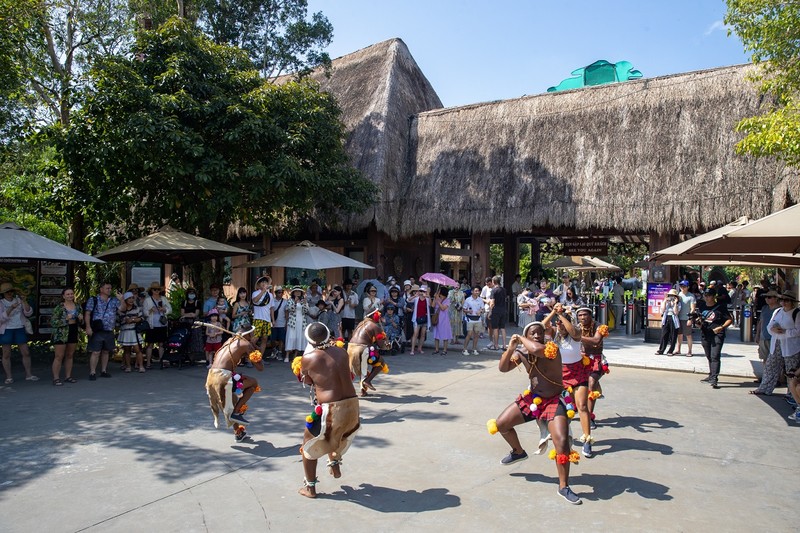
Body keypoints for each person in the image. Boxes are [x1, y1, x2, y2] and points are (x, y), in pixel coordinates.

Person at [487, 320, 583, 504]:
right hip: (533, 399)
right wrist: (511, 348)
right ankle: (518, 451)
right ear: (528, 336)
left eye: (540, 332)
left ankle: (563, 486)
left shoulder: (550, 348)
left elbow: (537, 350)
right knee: (501, 424)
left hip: (554, 400)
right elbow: (503, 368)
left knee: (561, 442)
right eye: (533, 333)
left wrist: (521, 338)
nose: (538, 335)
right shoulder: (523, 351)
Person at [293, 322, 361, 498]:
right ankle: (334, 464)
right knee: (334, 434)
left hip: (332, 410)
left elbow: (307, 382)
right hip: (353, 405)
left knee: (307, 446)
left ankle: (310, 488)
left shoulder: (309, 358)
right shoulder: (341, 351)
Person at [205, 328, 264, 443]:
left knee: (231, 401)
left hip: (211, 377)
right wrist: (253, 348)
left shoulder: (229, 340)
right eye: (252, 334)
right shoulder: (246, 344)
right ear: (248, 334)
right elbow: (260, 368)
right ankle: (237, 411)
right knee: (253, 383)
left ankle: (238, 433)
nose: (253, 336)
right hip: (223, 377)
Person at [551, 303, 595, 458]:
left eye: (562, 324)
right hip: (560, 376)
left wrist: (562, 315)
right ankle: (560, 437)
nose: (560, 327)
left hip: (578, 373)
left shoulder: (576, 333)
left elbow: (572, 331)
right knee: (561, 410)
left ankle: (587, 440)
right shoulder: (554, 335)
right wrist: (553, 313)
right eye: (558, 325)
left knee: (582, 405)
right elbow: (540, 328)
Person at [751, 291, 800, 396]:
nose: (784, 303)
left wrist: (785, 332)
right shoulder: (778, 311)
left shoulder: (797, 313)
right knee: (770, 366)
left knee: (790, 370)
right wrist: (773, 329)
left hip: (790, 346)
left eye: (786, 300)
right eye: (782, 300)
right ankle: (764, 388)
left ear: (792, 302)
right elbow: (769, 326)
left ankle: (791, 394)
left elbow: (798, 331)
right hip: (776, 343)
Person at [577, 307, 609, 428]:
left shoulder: (600, 327)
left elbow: (596, 341)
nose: (582, 317)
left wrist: (577, 336)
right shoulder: (576, 326)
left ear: (591, 315)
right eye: (580, 315)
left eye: (585, 315)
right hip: (580, 359)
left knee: (591, 383)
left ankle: (589, 417)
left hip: (596, 359)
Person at [695, 288, 733, 389]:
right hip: (705, 333)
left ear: (713, 296)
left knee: (715, 355)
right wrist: (698, 323)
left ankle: (714, 378)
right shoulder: (702, 306)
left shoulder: (720, 307)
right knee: (709, 355)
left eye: (708, 295)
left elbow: (730, 319)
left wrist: (721, 327)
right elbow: (700, 319)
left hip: (717, 334)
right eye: (705, 295)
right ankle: (711, 374)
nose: (706, 298)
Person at [347, 311, 391, 395]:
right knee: (380, 362)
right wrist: (387, 344)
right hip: (362, 348)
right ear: (374, 316)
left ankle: (363, 390)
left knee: (363, 366)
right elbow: (381, 345)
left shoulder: (361, 323)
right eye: (378, 315)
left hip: (350, 348)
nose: (379, 317)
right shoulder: (374, 326)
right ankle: (367, 380)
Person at [84, 281, 121, 380]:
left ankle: (103, 370)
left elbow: (122, 309)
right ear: (101, 289)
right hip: (97, 329)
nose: (109, 290)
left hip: (109, 329)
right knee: (96, 352)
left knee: (106, 351)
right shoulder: (94, 299)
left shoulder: (114, 300)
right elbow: (87, 313)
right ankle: (92, 372)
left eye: (110, 288)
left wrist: (122, 299)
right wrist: (88, 327)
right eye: (107, 288)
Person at [1, 282, 37, 384]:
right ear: (3, 293)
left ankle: (29, 375)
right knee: (6, 354)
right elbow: (1, 319)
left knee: (26, 352)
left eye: (11, 291)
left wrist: (24, 301)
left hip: (19, 328)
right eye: (6, 292)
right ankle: (9, 377)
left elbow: (29, 312)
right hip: (6, 329)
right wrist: (11, 308)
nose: (9, 293)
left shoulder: (18, 300)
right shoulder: (1, 303)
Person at [50, 287, 83, 385]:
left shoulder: (78, 306)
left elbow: (81, 322)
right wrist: (66, 319)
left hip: (73, 330)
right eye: (68, 294)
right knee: (59, 356)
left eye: (71, 294)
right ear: (63, 296)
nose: (70, 296)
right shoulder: (59, 307)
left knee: (70, 355)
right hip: (61, 333)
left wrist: (81, 319)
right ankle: (56, 378)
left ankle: (68, 376)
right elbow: (53, 322)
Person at [143, 282, 171, 369]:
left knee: (161, 344)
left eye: (158, 289)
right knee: (150, 344)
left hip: (162, 324)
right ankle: (148, 362)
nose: (157, 291)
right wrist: (151, 310)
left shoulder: (163, 299)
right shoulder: (147, 300)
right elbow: (145, 313)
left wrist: (164, 309)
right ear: (151, 290)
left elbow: (170, 309)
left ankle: (161, 361)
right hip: (152, 325)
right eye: (155, 289)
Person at [117, 291, 146, 373]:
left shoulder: (137, 308)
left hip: (134, 331)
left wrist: (133, 319)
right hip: (125, 331)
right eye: (129, 298)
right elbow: (120, 320)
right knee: (127, 350)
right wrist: (130, 319)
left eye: (132, 298)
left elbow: (141, 318)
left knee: (138, 350)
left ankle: (141, 366)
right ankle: (128, 366)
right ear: (125, 300)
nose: (131, 300)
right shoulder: (121, 309)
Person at [754, 290, 781, 369]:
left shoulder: (780, 310)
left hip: (775, 338)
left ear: (776, 298)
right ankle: (765, 377)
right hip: (764, 337)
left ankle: (778, 379)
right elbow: (760, 322)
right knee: (764, 358)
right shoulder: (764, 308)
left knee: (775, 360)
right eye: (766, 297)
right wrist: (757, 335)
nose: (766, 299)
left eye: (769, 297)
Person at [285, 286, 310, 363]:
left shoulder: (303, 301)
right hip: (293, 322)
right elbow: (290, 309)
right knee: (291, 337)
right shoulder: (290, 300)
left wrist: (305, 303)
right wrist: (295, 303)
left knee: (299, 338)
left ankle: (295, 356)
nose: (298, 293)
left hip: (301, 322)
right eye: (296, 291)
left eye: (299, 292)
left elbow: (306, 310)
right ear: (293, 293)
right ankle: (287, 355)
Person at [251, 276, 273, 357]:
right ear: (259, 284)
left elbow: (271, 308)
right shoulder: (255, 293)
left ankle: (260, 357)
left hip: (267, 319)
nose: (264, 284)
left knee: (264, 339)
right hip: (258, 318)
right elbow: (255, 300)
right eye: (262, 282)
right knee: (255, 339)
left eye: (265, 282)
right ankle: (249, 357)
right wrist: (263, 291)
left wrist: (272, 320)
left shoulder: (270, 295)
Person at [656, 289, 681, 355]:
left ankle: (670, 351)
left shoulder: (678, 303)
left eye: (673, 296)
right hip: (666, 318)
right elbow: (662, 310)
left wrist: (675, 303)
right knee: (664, 335)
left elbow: (676, 312)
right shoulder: (666, 302)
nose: (671, 297)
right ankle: (661, 350)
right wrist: (665, 301)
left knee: (673, 336)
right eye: (670, 295)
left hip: (674, 319)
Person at [675, 280, 696, 357]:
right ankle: (678, 349)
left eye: (684, 286)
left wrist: (690, 319)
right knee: (679, 334)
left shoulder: (691, 296)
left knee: (688, 335)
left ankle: (690, 351)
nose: (682, 288)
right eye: (681, 286)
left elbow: (693, 309)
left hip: (686, 318)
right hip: (678, 318)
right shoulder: (678, 295)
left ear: (688, 287)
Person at [462, 286, 485, 356]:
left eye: (478, 291)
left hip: (478, 319)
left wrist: (480, 311)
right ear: (472, 291)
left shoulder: (480, 300)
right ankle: (464, 349)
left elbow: (483, 309)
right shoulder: (468, 300)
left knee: (477, 334)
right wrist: (469, 311)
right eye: (476, 291)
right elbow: (464, 309)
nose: (477, 292)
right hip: (469, 319)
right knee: (469, 334)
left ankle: (474, 349)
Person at [408, 285, 430, 355]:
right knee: (415, 334)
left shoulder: (427, 299)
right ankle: (412, 349)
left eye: (423, 291)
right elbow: (408, 300)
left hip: (424, 318)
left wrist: (428, 296)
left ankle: (420, 348)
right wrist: (415, 295)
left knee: (423, 334)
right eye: (420, 291)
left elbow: (431, 304)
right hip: (417, 318)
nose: (422, 292)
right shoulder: (416, 298)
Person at [488, 275, 508, 351]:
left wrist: (490, 311)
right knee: (502, 328)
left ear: (493, 282)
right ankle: (504, 345)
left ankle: (496, 345)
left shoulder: (494, 290)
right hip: (503, 309)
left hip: (496, 310)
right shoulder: (504, 290)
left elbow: (492, 303)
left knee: (495, 328)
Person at [431, 286, 452, 355]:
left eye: (439, 291)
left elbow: (443, 308)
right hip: (437, 317)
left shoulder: (447, 300)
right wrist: (435, 298)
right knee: (436, 333)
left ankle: (444, 350)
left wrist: (438, 300)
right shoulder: (437, 298)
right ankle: (436, 349)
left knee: (445, 333)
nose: (438, 292)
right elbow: (433, 306)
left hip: (444, 318)